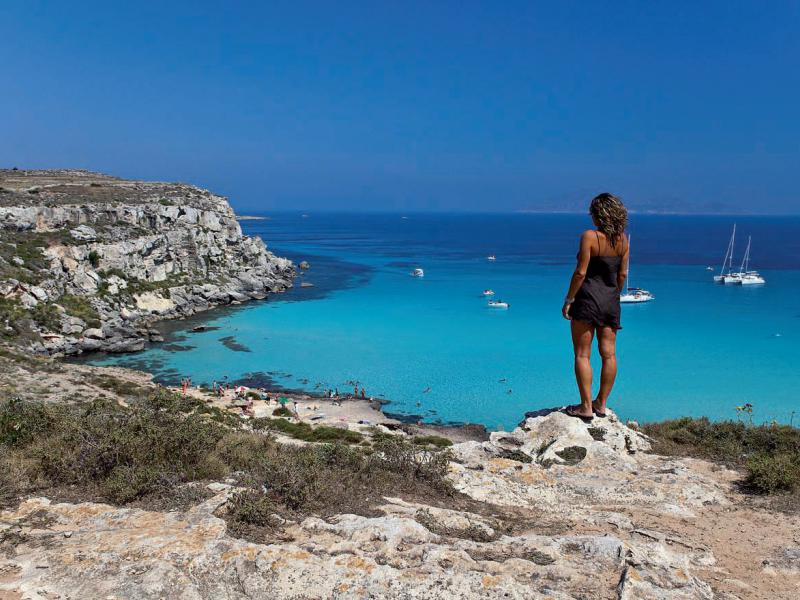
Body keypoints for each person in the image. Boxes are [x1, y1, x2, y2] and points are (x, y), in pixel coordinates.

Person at [562, 193, 630, 421]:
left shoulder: (589, 236)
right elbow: (622, 274)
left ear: (599, 214)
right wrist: (612, 294)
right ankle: (601, 403)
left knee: (583, 354)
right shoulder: (623, 240)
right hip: (611, 301)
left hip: (587, 300)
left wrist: (569, 299)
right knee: (609, 354)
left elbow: (581, 272)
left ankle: (586, 406)